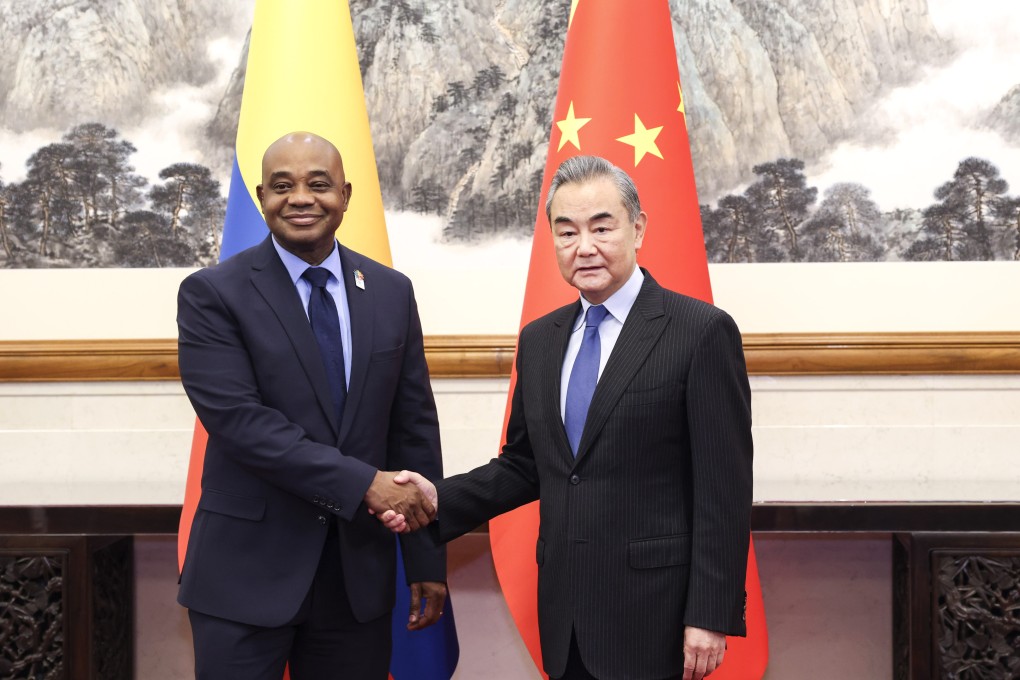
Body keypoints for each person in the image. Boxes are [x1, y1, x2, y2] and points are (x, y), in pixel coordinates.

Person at [382, 155, 753, 680]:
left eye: (602, 227)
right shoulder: (540, 340)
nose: (585, 246)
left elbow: (724, 489)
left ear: (638, 228)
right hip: (565, 613)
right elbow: (525, 465)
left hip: (659, 617)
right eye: (567, 231)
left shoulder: (699, 332)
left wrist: (709, 615)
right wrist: (437, 498)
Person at [176, 131, 446, 680]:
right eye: (283, 186)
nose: (301, 198)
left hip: (356, 581)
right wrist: (363, 482)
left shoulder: (392, 292)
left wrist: (425, 558)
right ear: (260, 197)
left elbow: (412, 428)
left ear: (346, 195)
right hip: (245, 576)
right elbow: (241, 425)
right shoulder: (213, 294)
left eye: (318, 184)